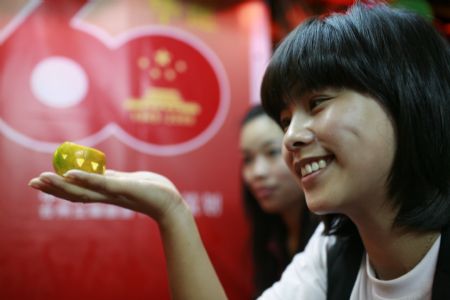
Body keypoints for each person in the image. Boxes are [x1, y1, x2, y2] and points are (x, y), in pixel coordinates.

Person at [28, 2, 450, 299]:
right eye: (286, 120)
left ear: (409, 99)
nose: (292, 138)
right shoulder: (334, 248)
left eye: (318, 103)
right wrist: (171, 210)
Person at [239, 105, 317, 297]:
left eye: (272, 152)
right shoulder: (271, 236)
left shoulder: (330, 236)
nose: (257, 172)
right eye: (248, 159)